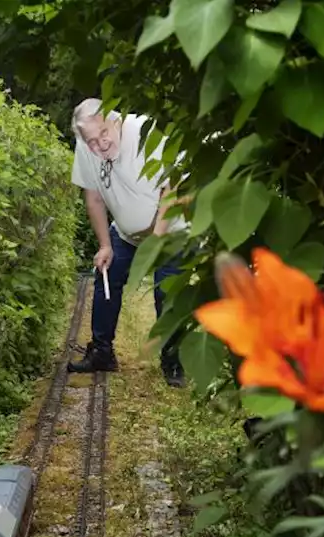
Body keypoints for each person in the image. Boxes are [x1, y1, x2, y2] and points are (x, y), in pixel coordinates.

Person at [66, 98, 189, 387]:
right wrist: (105, 244)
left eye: (103, 135)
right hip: (125, 233)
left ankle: (173, 362)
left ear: (115, 120)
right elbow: (94, 197)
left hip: (170, 230)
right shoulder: (87, 146)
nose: (99, 146)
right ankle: (102, 353)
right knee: (107, 274)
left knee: (167, 290)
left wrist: (156, 240)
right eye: (91, 141)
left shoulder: (148, 132)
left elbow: (172, 190)